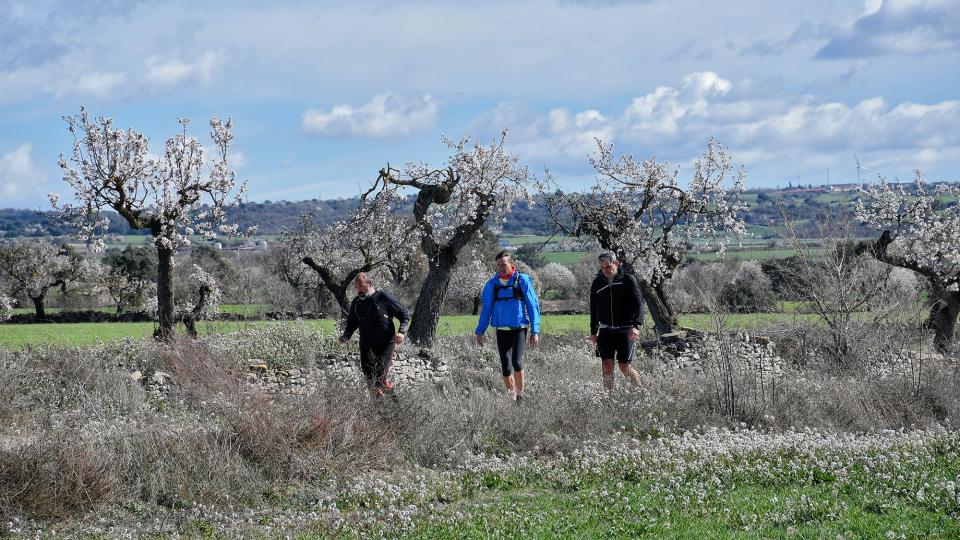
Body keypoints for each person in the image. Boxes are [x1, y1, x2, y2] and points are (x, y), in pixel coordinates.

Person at [475, 251, 541, 401]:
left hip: (519, 329)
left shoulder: (522, 280)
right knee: (506, 367)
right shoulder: (492, 284)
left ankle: (520, 396)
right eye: (498, 265)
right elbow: (487, 310)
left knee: (517, 363)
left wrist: (535, 331)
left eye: (504, 264)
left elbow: (533, 306)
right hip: (501, 330)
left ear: (512, 264)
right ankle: (511, 397)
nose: (501, 267)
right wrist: (480, 331)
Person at [338, 272, 410, 397]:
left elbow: (404, 314)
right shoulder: (356, 303)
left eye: (361, 286)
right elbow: (351, 324)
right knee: (370, 381)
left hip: (385, 344)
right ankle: (377, 410)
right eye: (356, 287)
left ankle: (396, 407)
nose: (358, 290)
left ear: (370, 284)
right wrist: (345, 336)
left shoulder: (382, 297)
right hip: (366, 345)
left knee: (379, 379)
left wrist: (401, 332)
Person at [590, 252, 644, 390]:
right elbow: (593, 308)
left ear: (616, 264)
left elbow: (639, 304)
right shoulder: (597, 282)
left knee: (624, 367)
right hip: (605, 330)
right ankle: (609, 399)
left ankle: (640, 392)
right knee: (607, 367)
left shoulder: (628, 280)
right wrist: (593, 331)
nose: (606, 270)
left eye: (608, 266)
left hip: (625, 329)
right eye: (603, 268)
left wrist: (636, 326)